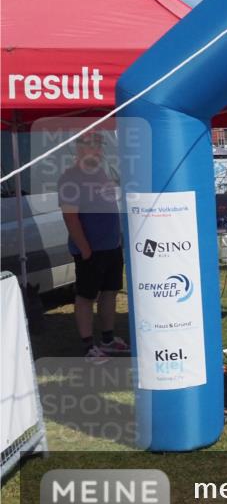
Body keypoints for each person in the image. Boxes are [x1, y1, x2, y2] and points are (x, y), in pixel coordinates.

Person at [58, 131, 130, 364]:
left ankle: (108, 339)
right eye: (92, 145)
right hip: (90, 250)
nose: (98, 150)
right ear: (79, 148)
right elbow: (70, 218)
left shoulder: (102, 172)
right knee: (86, 296)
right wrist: (85, 249)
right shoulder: (70, 178)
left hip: (111, 246)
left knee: (110, 292)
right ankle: (89, 345)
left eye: (100, 145)